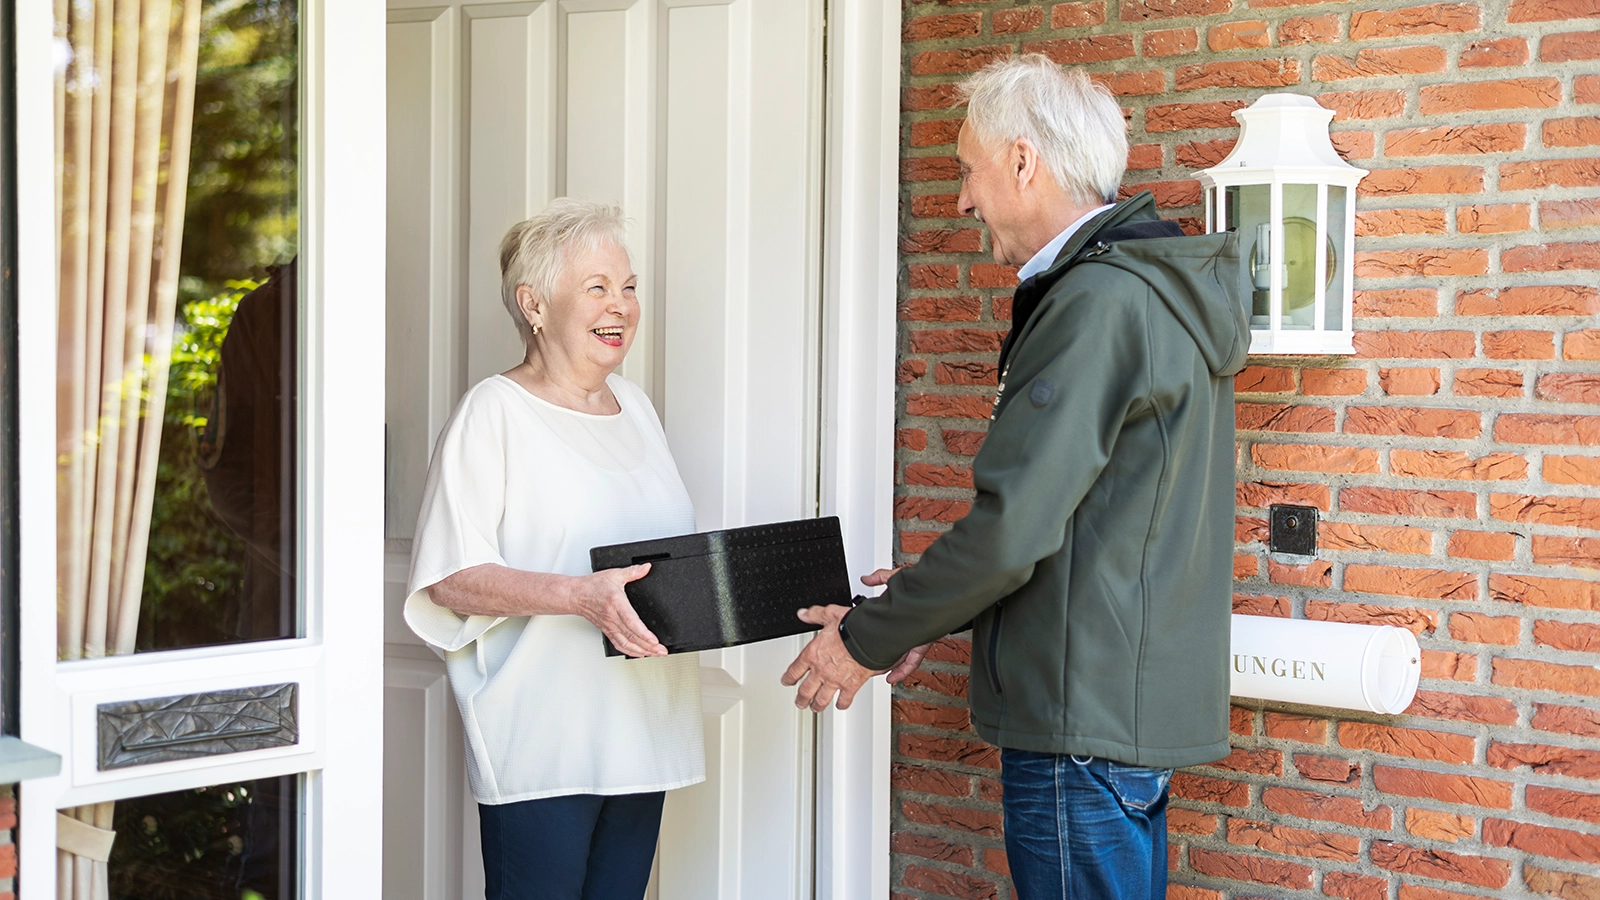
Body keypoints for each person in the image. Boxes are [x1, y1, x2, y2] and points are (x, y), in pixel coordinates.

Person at [783, 56, 1248, 899]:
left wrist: (863, 641)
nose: (963, 199)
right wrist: (927, 604)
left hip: (1078, 728)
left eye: (969, 169)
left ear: (1024, 162)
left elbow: (1013, 533)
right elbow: (1079, 526)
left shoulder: (1097, 302)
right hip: (1120, 721)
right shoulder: (1150, 294)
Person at [404, 199, 702, 900]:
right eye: (596, 287)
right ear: (533, 304)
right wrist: (579, 597)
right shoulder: (494, 412)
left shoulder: (637, 408)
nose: (621, 306)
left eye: (628, 287)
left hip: (644, 732)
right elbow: (450, 578)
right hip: (544, 740)